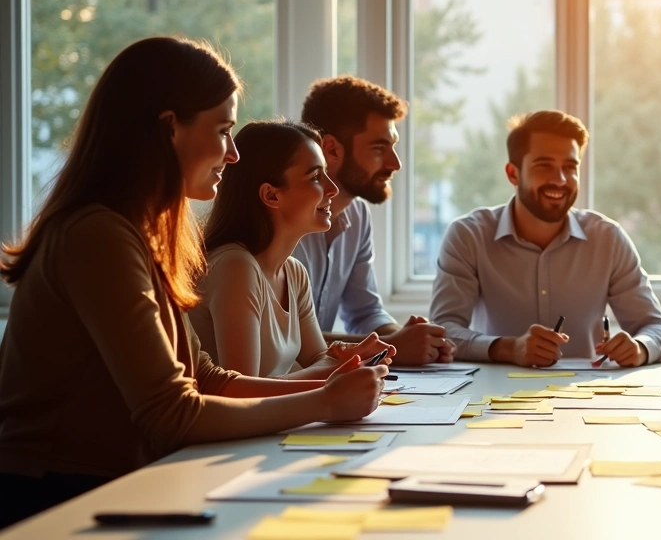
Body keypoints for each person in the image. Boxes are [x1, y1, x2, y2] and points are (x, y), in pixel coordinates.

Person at [0, 38, 385, 529]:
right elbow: (171, 413)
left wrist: (325, 383)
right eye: (224, 131)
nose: (234, 154)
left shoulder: (144, 233)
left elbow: (204, 377)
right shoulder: (97, 235)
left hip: (118, 483)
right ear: (169, 130)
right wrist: (324, 401)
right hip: (58, 498)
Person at [430, 110, 661, 367]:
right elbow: (443, 330)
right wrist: (510, 348)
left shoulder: (608, 238)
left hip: (586, 396)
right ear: (513, 173)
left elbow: (659, 329)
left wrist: (639, 348)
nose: (560, 180)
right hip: (493, 396)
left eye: (570, 167)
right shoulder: (469, 236)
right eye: (544, 166)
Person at [190, 120, 392, 379]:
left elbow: (317, 359)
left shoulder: (294, 273)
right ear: (271, 196)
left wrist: (348, 357)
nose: (333, 188)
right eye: (316, 177)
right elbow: (245, 392)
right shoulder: (235, 268)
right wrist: (342, 368)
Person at [292, 76, 453, 365]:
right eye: (379, 148)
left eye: (393, 147)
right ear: (331, 150)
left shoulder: (357, 214)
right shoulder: (285, 217)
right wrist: (393, 346)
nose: (395, 164)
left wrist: (415, 339)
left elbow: (364, 313)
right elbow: (288, 339)